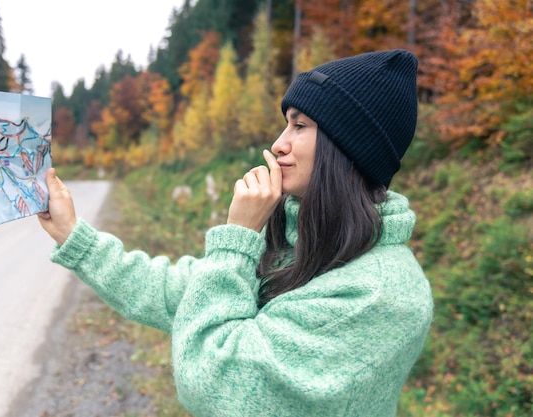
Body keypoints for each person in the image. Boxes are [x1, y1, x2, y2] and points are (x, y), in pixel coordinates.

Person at [38, 49, 434, 417]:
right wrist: (74, 237)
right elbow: (173, 291)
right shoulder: (300, 246)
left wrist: (237, 238)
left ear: (347, 147)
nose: (279, 144)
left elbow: (214, 382)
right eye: (285, 125)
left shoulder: (380, 294)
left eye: (300, 125)